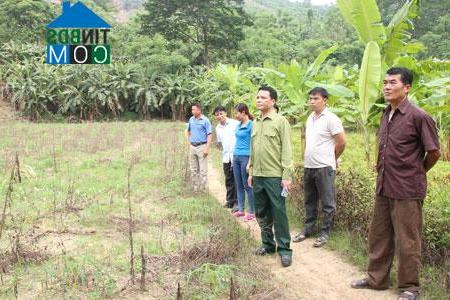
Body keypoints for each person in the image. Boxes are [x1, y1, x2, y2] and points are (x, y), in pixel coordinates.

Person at [350, 68, 441, 300]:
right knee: (379, 235)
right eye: (385, 83)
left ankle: (410, 287)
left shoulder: (419, 116)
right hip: (384, 186)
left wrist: (416, 172)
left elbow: (433, 152)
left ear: (407, 87)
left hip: (407, 190)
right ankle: (376, 279)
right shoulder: (385, 114)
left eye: (393, 83)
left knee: (408, 240)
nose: (387, 87)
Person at [292, 87, 346, 247]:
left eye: (315, 99)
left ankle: (325, 232)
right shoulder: (310, 117)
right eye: (310, 99)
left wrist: (333, 158)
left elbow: (342, 142)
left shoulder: (331, 118)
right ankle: (308, 229)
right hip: (309, 166)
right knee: (310, 200)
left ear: (325, 100)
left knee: (327, 202)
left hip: (324, 167)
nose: (312, 101)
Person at [248, 85, 294, 267]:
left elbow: (287, 150)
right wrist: (251, 171)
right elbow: (253, 150)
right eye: (257, 97)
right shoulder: (256, 122)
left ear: (273, 101)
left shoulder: (280, 121)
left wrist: (287, 175)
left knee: (279, 213)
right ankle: (267, 244)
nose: (258, 100)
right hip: (258, 175)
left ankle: (284, 249)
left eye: (263, 97)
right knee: (261, 212)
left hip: (275, 176)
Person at [232, 103, 255, 221]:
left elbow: (254, 144)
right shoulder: (238, 125)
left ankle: (252, 211)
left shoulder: (252, 125)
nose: (235, 115)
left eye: (236, 113)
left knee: (248, 185)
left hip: (246, 157)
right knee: (238, 184)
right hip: (236, 156)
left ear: (243, 112)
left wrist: (251, 161)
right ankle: (241, 210)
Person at [214, 106, 239, 212]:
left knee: (237, 180)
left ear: (225, 113)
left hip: (236, 156)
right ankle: (230, 201)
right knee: (228, 180)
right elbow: (220, 143)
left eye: (221, 113)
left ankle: (237, 203)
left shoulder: (235, 123)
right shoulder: (217, 128)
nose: (219, 116)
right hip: (226, 157)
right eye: (217, 115)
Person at [186, 102, 212, 193]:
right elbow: (188, 131)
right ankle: (195, 189)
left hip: (202, 146)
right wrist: (189, 141)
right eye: (192, 109)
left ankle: (204, 189)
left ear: (199, 110)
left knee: (203, 170)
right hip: (192, 146)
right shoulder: (191, 119)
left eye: (194, 109)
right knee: (193, 169)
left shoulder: (205, 120)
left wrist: (207, 148)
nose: (192, 111)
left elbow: (209, 135)